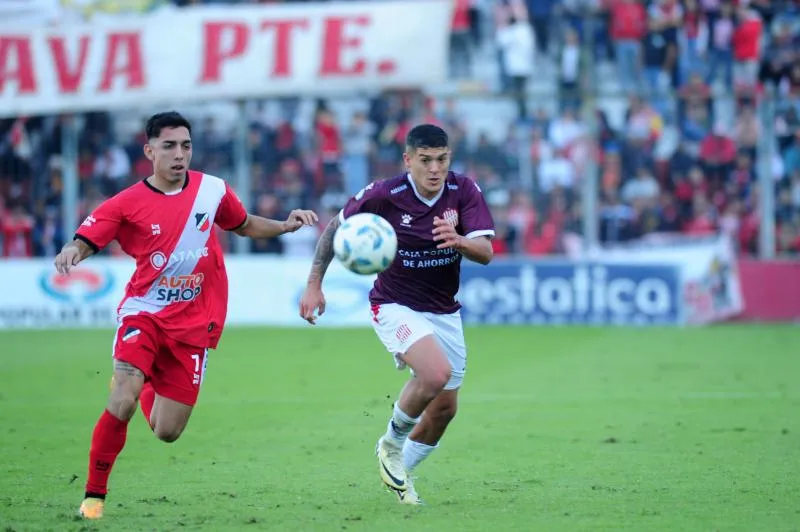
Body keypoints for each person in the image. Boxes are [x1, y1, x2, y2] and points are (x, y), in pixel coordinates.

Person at [54, 112, 318, 520]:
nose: (180, 155)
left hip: (195, 325)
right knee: (121, 399)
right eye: (169, 146)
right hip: (144, 314)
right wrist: (74, 250)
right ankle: (94, 497)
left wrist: (284, 226)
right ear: (149, 151)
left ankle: (142, 385)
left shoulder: (211, 190)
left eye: (186, 146)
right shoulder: (126, 203)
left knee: (167, 431)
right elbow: (89, 237)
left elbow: (244, 224)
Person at [299, 124, 495, 505]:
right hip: (394, 303)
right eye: (425, 161)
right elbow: (335, 230)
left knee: (443, 411)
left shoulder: (464, 191)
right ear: (408, 161)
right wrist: (313, 284)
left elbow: (485, 251)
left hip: (443, 309)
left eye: (442, 160)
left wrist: (458, 241)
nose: (434, 169)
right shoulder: (384, 195)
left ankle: (400, 471)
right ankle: (390, 444)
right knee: (434, 373)